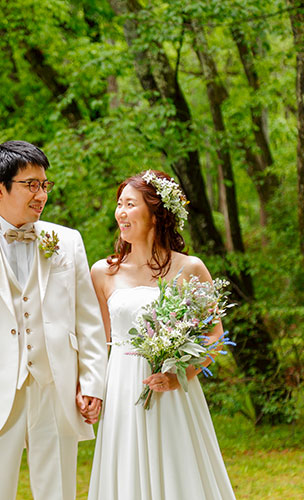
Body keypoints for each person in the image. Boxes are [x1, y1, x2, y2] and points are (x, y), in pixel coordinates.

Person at [0, 140, 108, 500]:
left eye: (44, 185)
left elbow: (89, 321)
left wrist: (93, 381)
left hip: (56, 384)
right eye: (30, 184)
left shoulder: (68, 241)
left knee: (58, 491)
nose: (41, 194)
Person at [87, 170, 236, 500]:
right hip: (123, 390)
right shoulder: (102, 272)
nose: (121, 213)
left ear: (157, 213)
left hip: (173, 391)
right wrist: (91, 390)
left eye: (130, 204)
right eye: (119, 204)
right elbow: (98, 343)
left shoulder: (190, 268)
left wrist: (181, 372)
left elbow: (215, 334)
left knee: (179, 474)